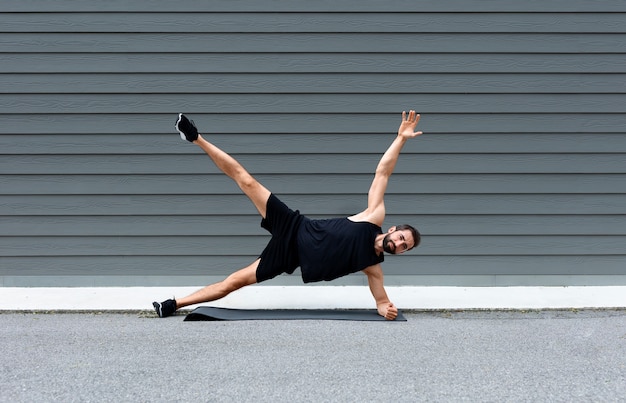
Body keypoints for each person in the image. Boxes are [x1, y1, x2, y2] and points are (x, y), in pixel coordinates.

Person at [153, 110, 422, 320]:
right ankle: (195, 137)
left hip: (289, 257)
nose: (398, 244)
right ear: (393, 229)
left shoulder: (373, 268)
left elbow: (382, 302)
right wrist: (400, 139)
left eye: (404, 247)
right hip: (295, 226)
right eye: (401, 238)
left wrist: (386, 309)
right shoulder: (373, 217)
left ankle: (173, 304)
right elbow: (382, 173)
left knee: (232, 283)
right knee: (246, 181)